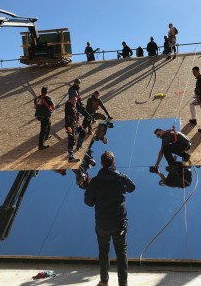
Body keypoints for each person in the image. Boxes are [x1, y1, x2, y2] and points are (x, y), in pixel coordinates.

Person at [84, 151, 136, 286]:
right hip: (119, 223)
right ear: (113, 162)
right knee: (121, 253)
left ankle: (104, 281)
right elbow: (132, 187)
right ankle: (123, 284)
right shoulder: (120, 177)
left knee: (103, 252)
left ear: (101, 163)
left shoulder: (95, 181)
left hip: (102, 224)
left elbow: (89, 202)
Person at [65, 96, 86, 162]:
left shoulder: (74, 106)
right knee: (72, 140)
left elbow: (75, 115)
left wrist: (78, 117)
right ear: (70, 100)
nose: (75, 101)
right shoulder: (68, 106)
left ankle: (78, 145)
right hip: (70, 125)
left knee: (83, 132)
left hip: (75, 124)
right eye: (74, 100)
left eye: (76, 100)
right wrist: (68, 127)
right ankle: (71, 157)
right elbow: (67, 116)